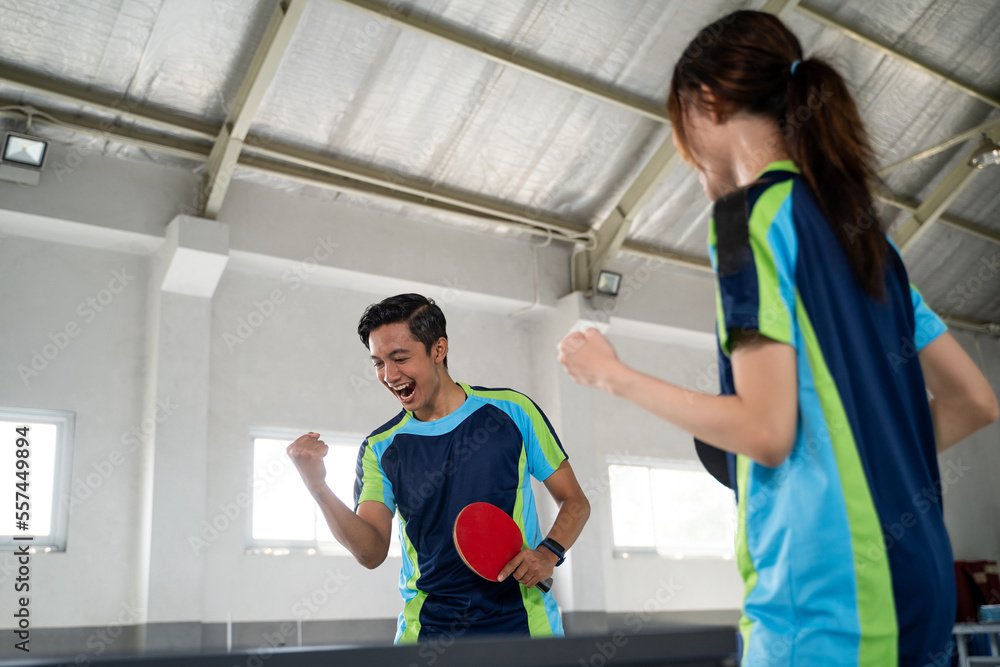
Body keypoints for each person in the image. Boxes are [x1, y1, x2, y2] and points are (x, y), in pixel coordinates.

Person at [557, 10, 997, 667]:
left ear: (706, 103)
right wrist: (856, 456)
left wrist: (612, 375)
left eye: (684, 136)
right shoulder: (870, 241)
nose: (688, 157)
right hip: (921, 585)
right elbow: (974, 401)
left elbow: (766, 429)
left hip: (828, 595)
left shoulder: (746, 218)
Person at [288, 293, 590, 643]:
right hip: (429, 635)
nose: (389, 375)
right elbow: (371, 553)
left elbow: (575, 501)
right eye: (378, 363)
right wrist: (317, 487)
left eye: (400, 358)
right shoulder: (381, 448)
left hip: (526, 626)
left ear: (438, 349)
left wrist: (549, 552)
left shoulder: (513, 411)